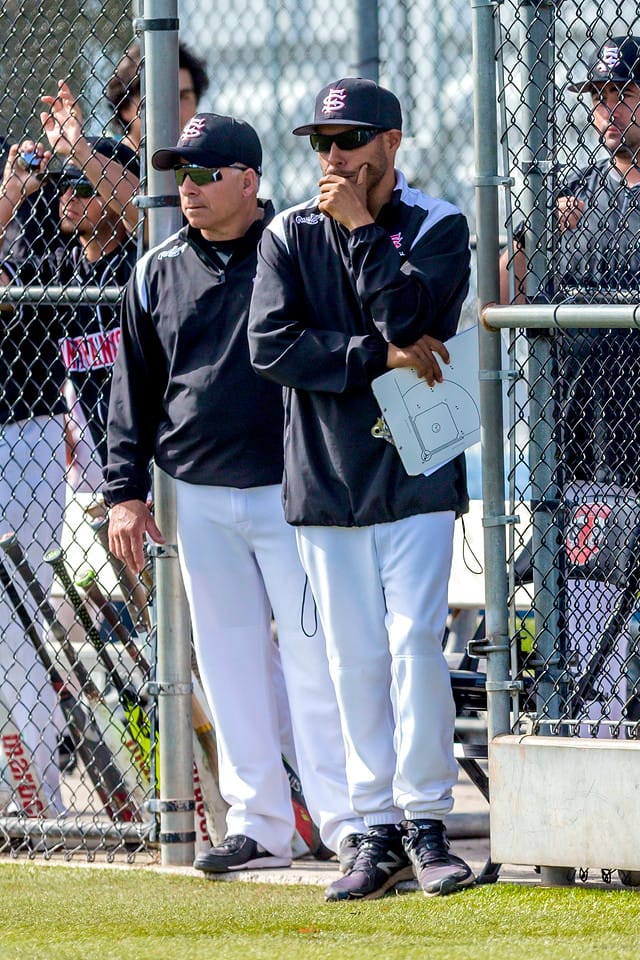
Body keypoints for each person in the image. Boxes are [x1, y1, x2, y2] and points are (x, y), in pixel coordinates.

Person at [103, 112, 364, 874]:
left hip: (292, 490)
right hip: (198, 495)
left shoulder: (297, 247)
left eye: (204, 172)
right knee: (227, 664)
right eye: (179, 172)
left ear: (249, 181)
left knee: (319, 662)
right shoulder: (156, 268)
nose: (186, 187)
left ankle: (350, 823)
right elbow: (134, 392)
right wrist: (125, 492)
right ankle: (260, 826)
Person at [247, 77, 475, 901]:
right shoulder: (286, 234)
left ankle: (426, 823)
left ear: (391, 142)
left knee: (416, 644)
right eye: (321, 143)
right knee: (352, 658)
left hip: (413, 467)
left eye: (349, 140)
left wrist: (361, 230)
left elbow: (415, 316)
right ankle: (371, 828)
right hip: (326, 476)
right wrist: (373, 359)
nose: (333, 157)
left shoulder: (439, 222)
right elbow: (273, 347)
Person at [40, 40, 209, 237]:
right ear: (125, 107)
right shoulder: (104, 156)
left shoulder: (206, 168)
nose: (174, 108)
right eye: (161, 97)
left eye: (184, 96)